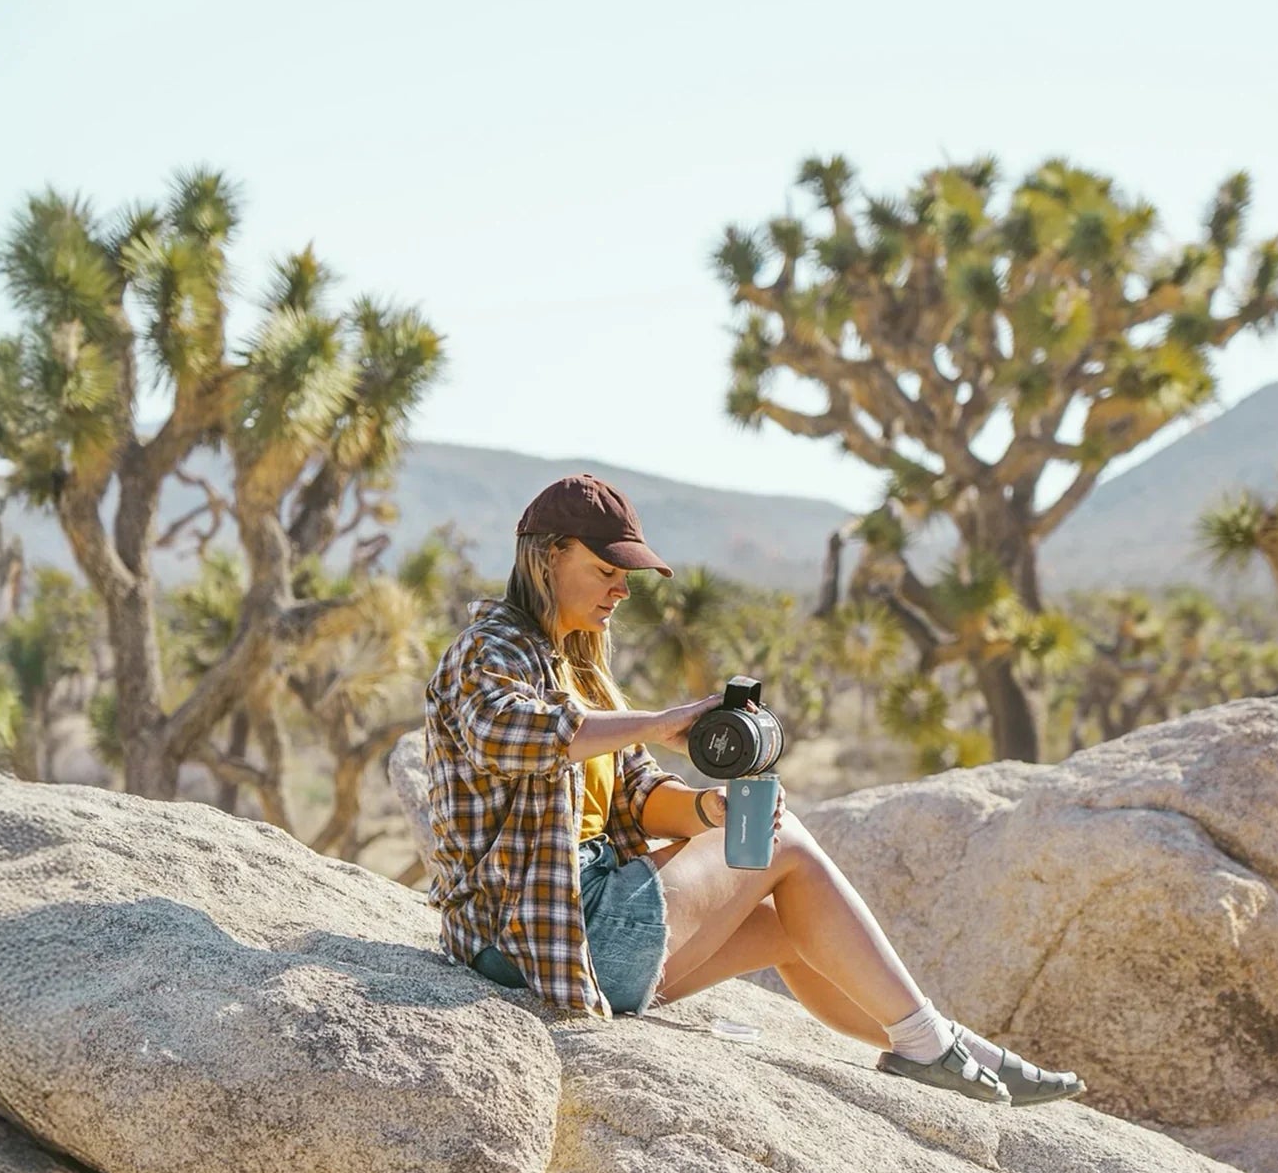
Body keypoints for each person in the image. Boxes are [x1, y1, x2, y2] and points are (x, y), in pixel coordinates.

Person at [423, 473, 1085, 1106]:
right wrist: (656, 724)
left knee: (790, 926)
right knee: (786, 843)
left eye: (625, 576)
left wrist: (708, 810)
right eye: (606, 571)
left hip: (570, 947)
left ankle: (952, 1051)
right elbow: (506, 732)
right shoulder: (490, 650)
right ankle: (931, 1046)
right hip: (531, 934)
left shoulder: (579, 663)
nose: (621, 589)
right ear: (548, 556)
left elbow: (630, 797)